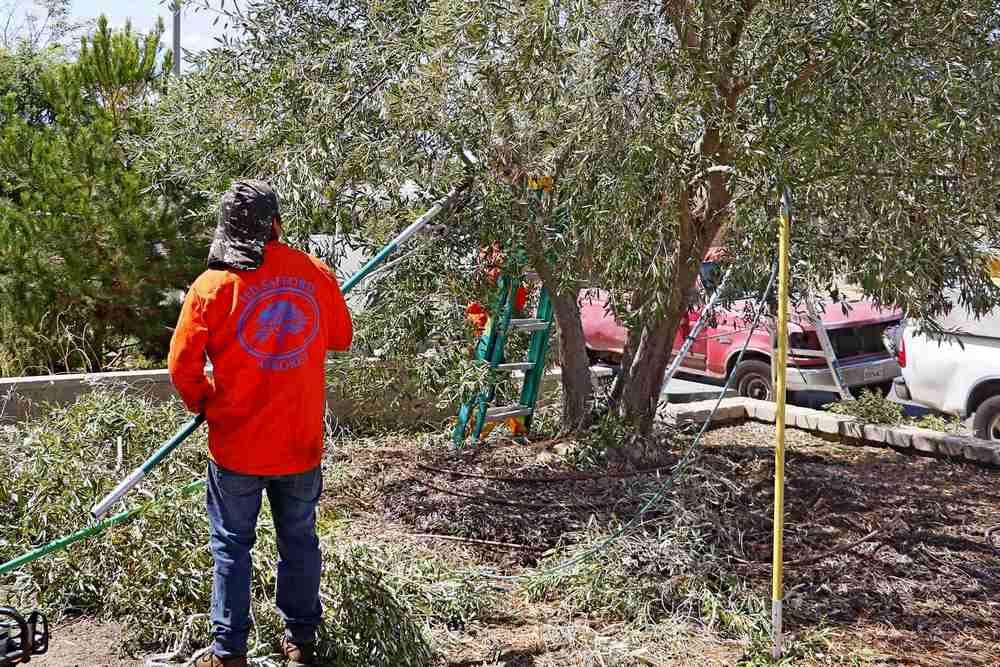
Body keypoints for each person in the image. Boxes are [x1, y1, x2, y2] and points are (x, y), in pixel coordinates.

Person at [168, 181, 352, 667]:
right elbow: (340, 336)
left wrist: (204, 403)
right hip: (299, 443)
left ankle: (229, 652)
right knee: (299, 540)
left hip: (236, 448)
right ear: (274, 224)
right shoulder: (313, 272)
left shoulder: (210, 287)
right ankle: (301, 641)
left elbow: (182, 369)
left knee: (231, 546)